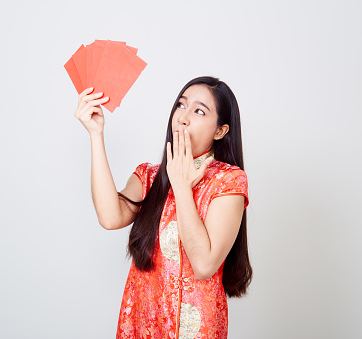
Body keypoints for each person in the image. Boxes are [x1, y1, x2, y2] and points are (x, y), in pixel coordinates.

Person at [74, 76, 252, 338]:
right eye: (181, 105)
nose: (183, 117)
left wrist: (181, 187)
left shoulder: (228, 181)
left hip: (195, 330)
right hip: (143, 322)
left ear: (220, 131)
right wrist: (96, 134)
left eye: (199, 110)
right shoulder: (150, 176)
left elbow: (204, 265)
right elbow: (110, 217)